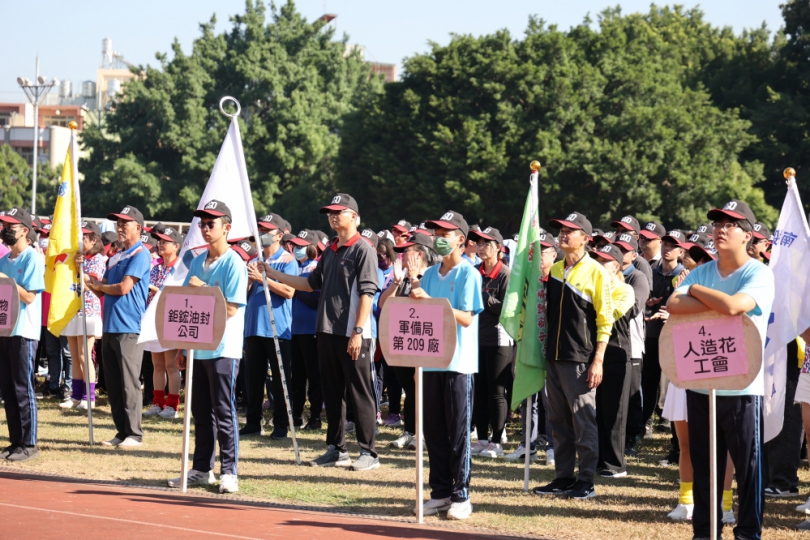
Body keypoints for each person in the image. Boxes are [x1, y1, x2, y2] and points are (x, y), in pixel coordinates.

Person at [667, 199, 774, 540]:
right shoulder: (705, 269)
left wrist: (693, 289)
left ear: (747, 235)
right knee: (705, 468)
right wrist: (696, 291)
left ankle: (747, 534)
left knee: (748, 469)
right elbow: (673, 304)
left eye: (730, 224)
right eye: (717, 223)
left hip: (743, 388)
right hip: (703, 385)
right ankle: (704, 532)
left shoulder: (758, 273)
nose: (721, 229)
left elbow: (733, 307)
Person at [262, 193, 380, 471]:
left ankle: (369, 452)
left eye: (339, 212)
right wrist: (271, 273)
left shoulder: (363, 249)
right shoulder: (332, 250)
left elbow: (367, 294)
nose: (333, 216)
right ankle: (336, 449)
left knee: (359, 392)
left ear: (355, 217)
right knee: (333, 392)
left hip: (353, 333)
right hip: (326, 332)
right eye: (330, 212)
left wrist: (358, 331)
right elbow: (309, 284)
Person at [168, 200, 248, 494]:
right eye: (202, 223)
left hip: (223, 349)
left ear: (227, 228)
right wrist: (181, 347)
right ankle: (202, 468)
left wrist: (204, 290)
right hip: (197, 348)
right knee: (201, 412)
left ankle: (230, 471)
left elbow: (231, 309)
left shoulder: (234, 263)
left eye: (210, 223)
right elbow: (189, 308)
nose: (204, 228)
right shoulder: (198, 262)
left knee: (223, 411)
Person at [535, 211, 614, 500]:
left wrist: (598, 360)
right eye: (561, 230)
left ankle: (586, 480)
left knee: (583, 420)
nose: (563, 235)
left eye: (570, 230)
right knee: (558, 420)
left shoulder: (596, 272)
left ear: (586, 238)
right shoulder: (555, 270)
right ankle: (564, 477)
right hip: (554, 357)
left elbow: (606, 320)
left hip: (581, 359)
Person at [410, 210, 483, 520]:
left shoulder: (469, 274)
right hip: (430, 364)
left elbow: (466, 318)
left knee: (457, 434)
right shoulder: (428, 275)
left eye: (445, 233)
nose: (439, 239)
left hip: (458, 364)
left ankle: (461, 495)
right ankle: (439, 492)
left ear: (461, 239)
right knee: (434, 433)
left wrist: (431, 302)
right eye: (435, 233)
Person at [85, 205, 151, 448]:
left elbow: (123, 288)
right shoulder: (115, 257)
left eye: (126, 223)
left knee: (129, 382)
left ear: (138, 228)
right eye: (118, 223)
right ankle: (121, 431)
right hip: (110, 325)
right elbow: (104, 288)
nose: (120, 227)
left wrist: (100, 286)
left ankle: (135, 433)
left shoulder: (140, 254)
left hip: (129, 327)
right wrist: (89, 281)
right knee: (112, 383)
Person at [380, 233, 439, 449]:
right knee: (410, 388)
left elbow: (426, 304)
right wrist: (396, 281)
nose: (402, 255)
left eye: (407, 251)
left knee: (422, 388)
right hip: (403, 342)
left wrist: (414, 278)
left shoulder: (433, 276)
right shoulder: (402, 277)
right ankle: (410, 431)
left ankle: (423, 433)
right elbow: (384, 304)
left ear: (420, 254)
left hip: (424, 342)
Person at [242, 213, 297, 439]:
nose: (262, 235)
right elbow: (243, 292)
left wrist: (263, 279)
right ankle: (253, 422)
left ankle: (282, 424)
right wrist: (249, 278)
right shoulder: (254, 259)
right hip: (253, 326)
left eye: (267, 231)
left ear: (279, 235)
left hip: (277, 328)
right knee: (253, 379)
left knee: (280, 379)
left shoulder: (288, 260)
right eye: (260, 231)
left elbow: (289, 291)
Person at [505, 231, 558, 463]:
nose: (538, 257)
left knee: (550, 400)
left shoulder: (559, 280)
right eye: (534, 253)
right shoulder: (527, 282)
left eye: (543, 253)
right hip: (528, 345)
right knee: (529, 396)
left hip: (552, 348)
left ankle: (553, 446)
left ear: (554, 255)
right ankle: (528, 444)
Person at [0, 207, 46, 462]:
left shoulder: (32, 258)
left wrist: (7, 281)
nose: (6, 229)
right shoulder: (4, 259)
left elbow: (29, 296)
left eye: (11, 225)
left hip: (24, 332)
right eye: (4, 224)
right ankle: (15, 440)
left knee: (22, 388)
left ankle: (29, 443)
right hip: (4, 329)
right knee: (7, 388)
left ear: (25, 230)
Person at [468, 227, 512, 459]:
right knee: (480, 391)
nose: (481, 246)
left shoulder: (506, 274)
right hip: (475, 339)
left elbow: (507, 308)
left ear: (499, 248)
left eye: (487, 243)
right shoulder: (474, 271)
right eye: (479, 242)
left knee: (496, 391)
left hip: (499, 340)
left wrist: (483, 297)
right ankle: (481, 439)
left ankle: (496, 441)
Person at [641, 229, 686, 439]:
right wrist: (648, 304)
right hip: (651, 333)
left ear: (681, 252)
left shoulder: (684, 275)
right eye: (665, 245)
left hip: (674, 336)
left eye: (673, 246)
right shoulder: (651, 271)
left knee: (669, 379)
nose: (667, 249)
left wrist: (673, 313)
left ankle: (667, 420)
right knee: (648, 379)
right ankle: (646, 422)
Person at [60, 220, 107, 411]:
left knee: (84, 354)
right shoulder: (78, 257)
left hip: (88, 309)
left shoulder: (97, 259)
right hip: (72, 308)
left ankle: (89, 396)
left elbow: (94, 284)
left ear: (94, 239)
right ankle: (76, 395)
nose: (80, 240)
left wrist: (81, 268)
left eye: (84, 237)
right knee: (74, 353)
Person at [612, 232, 649, 459]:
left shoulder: (638, 277)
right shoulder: (607, 276)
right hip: (610, 344)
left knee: (632, 394)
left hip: (631, 344)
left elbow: (633, 308)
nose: (620, 253)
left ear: (634, 255)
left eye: (625, 250)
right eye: (617, 249)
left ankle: (632, 436)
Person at [142, 225, 182, 419]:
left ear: (176, 246)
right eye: (159, 241)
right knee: (157, 364)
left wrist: (156, 292)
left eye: (165, 241)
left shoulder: (180, 269)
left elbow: (178, 296)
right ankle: (158, 402)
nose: (160, 244)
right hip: (152, 320)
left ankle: (172, 405)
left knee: (171, 365)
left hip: (170, 320)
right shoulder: (155, 267)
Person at [287, 229, 323, 431]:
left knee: (314, 375)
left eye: (301, 246)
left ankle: (316, 416)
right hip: (293, 329)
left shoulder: (316, 268)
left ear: (311, 247)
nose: (297, 249)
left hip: (311, 329)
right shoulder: (295, 267)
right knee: (297, 376)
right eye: (295, 246)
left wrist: (296, 288)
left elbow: (316, 299)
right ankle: (297, 414)